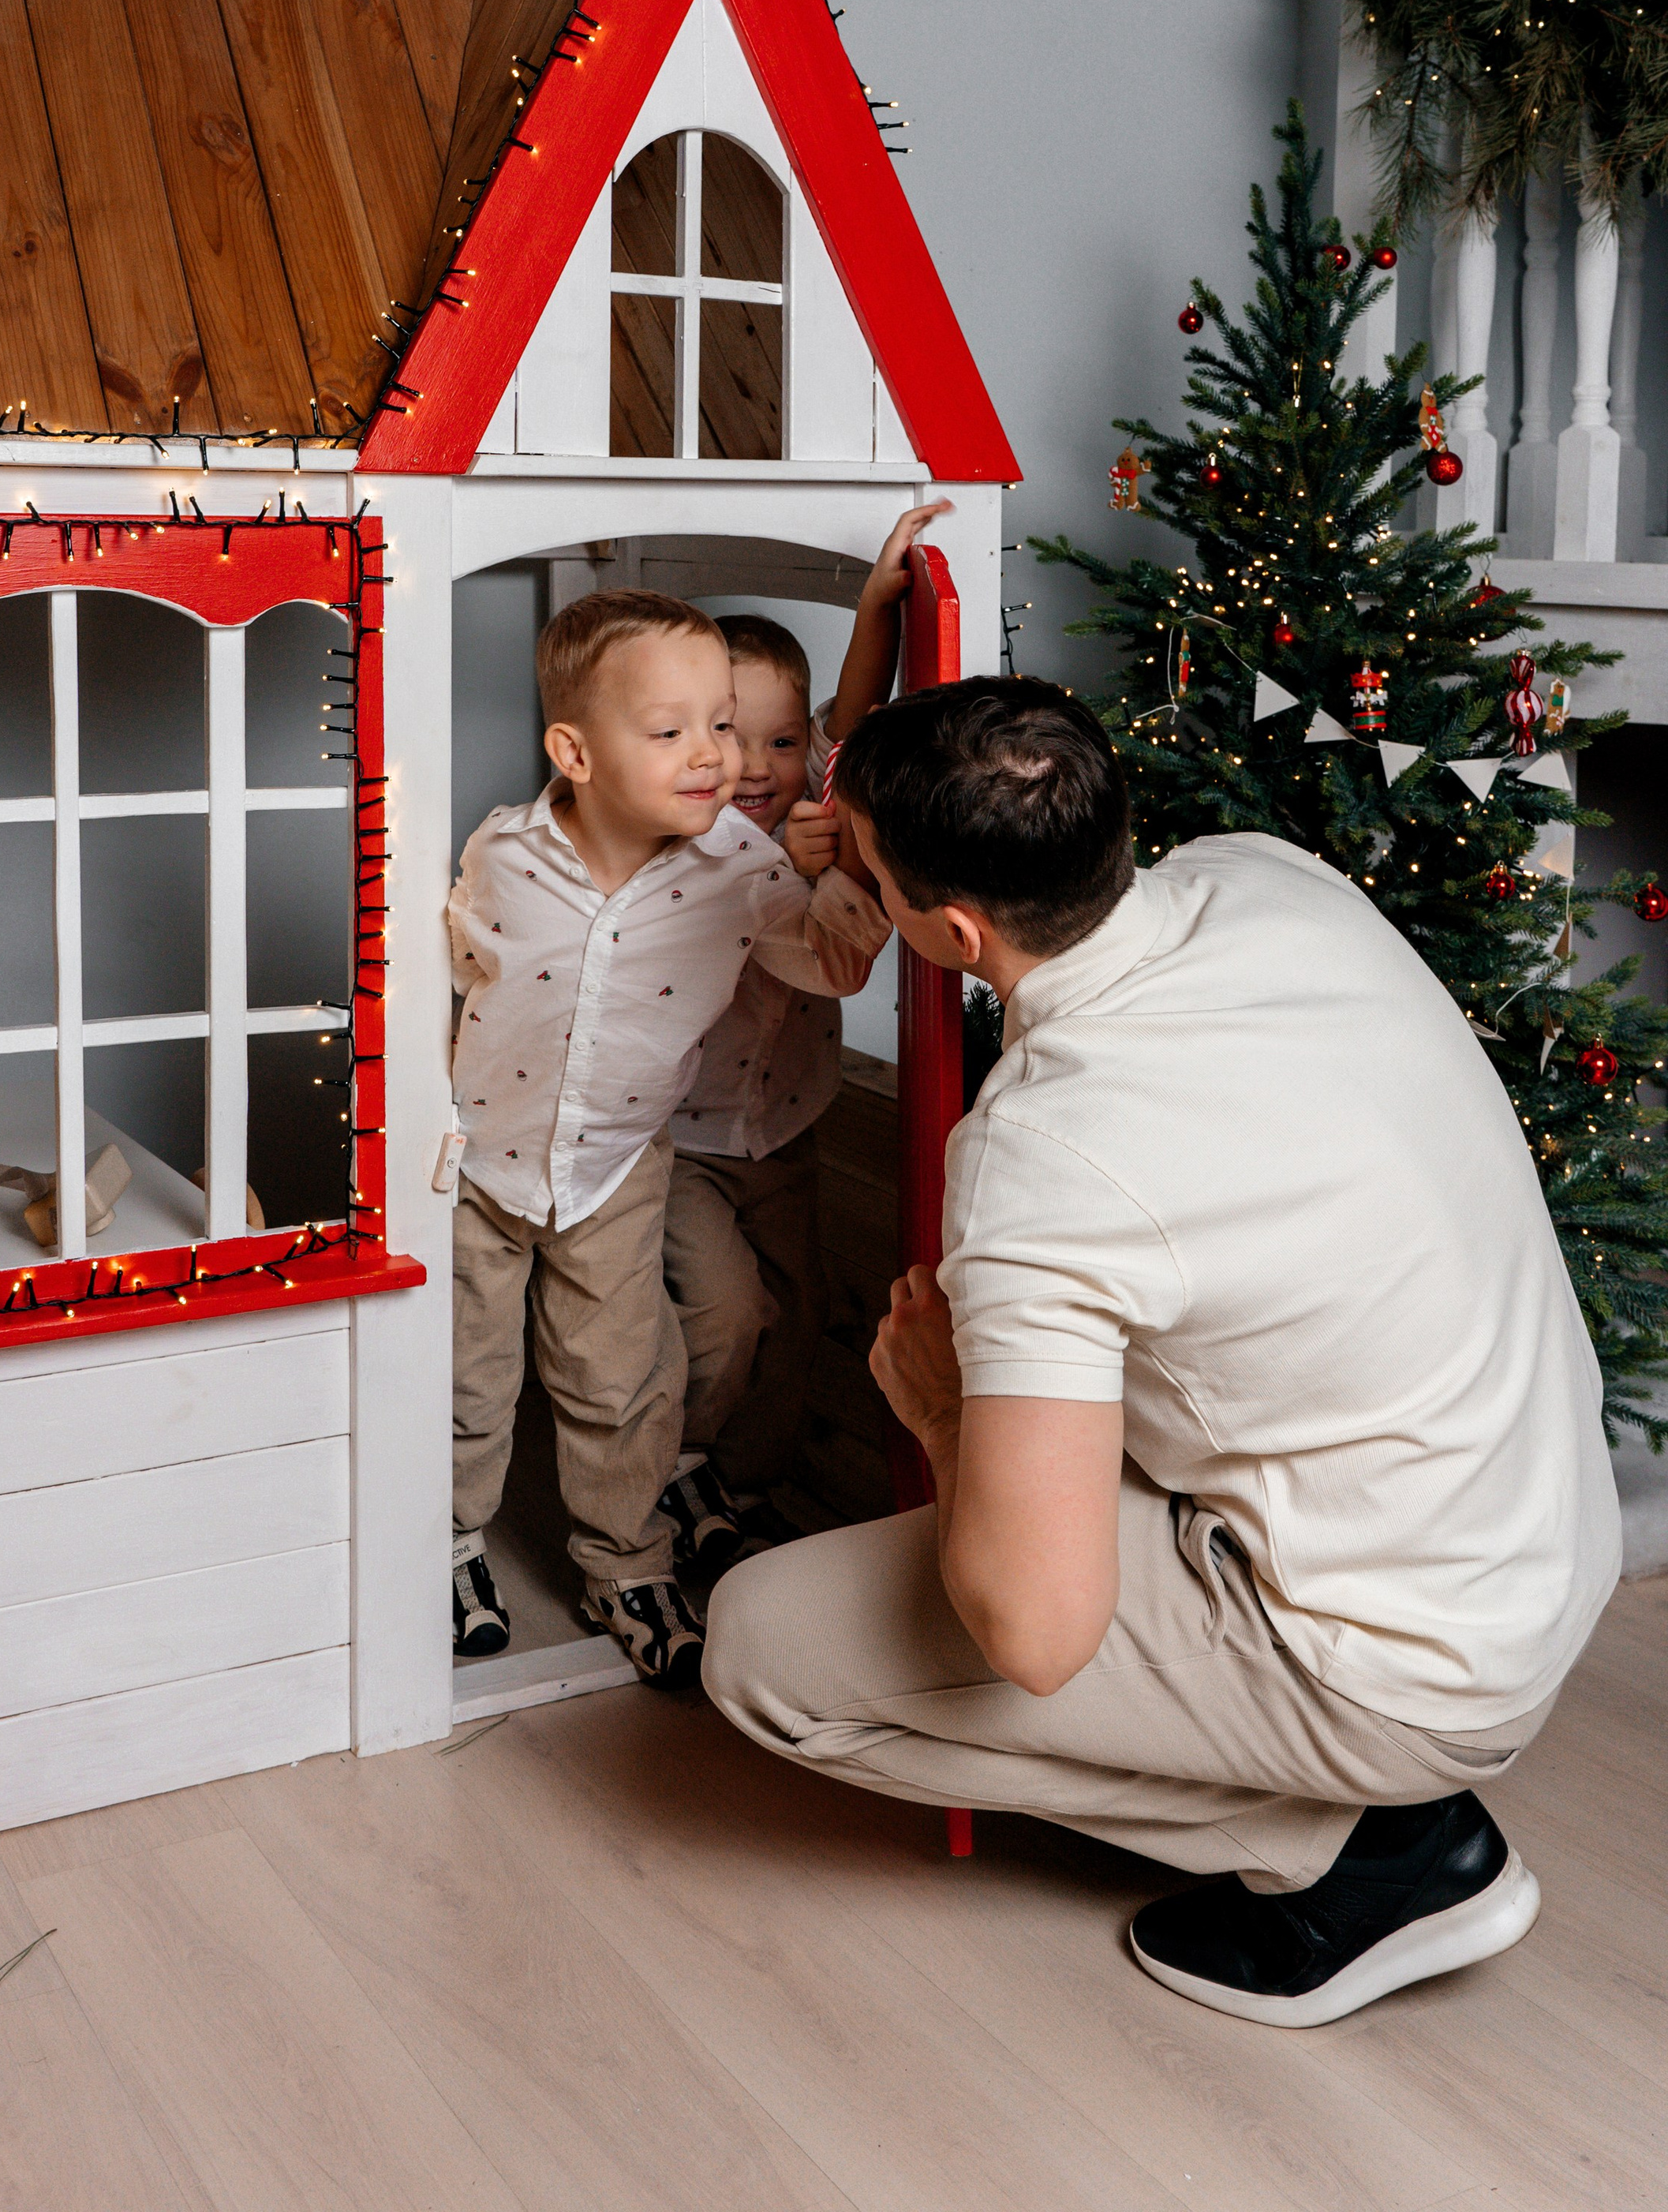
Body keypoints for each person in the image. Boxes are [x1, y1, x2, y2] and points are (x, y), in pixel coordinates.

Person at [703, 676, 1622, 2026]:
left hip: (1411, 1662)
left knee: (763, 1650)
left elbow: (1037, 1632)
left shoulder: (1043, 1157)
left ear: (949, 931)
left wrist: (945, 1411)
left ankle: (1379, 1855)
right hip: (1536, 1533)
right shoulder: (1267, 876)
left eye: (880, 878)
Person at [447, 589, 874, 1690]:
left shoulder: (744, 871)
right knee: (467, 1373)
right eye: (673, 729)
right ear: (574, 751)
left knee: (622, 1377)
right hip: (482, 1162)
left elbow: (828, 963)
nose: (715, 755)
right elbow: (441, 977)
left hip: (618, 1166)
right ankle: (443, 1544)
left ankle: (627, 1565)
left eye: (723, 724)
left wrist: (851, 879)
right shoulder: (505, 853)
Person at [660, 507, 948, 1578]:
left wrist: (877, 604)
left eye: (784, 742)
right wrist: (801, 864)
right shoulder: (684, 837)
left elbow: (858, 713)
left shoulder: (814, 787)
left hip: (783, 1124)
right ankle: (674, 1469)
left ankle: (746, 1485)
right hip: (682, 1138)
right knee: (732, 1313)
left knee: (800, 1311)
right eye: (729, 737)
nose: (757, 763)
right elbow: (795, 935)